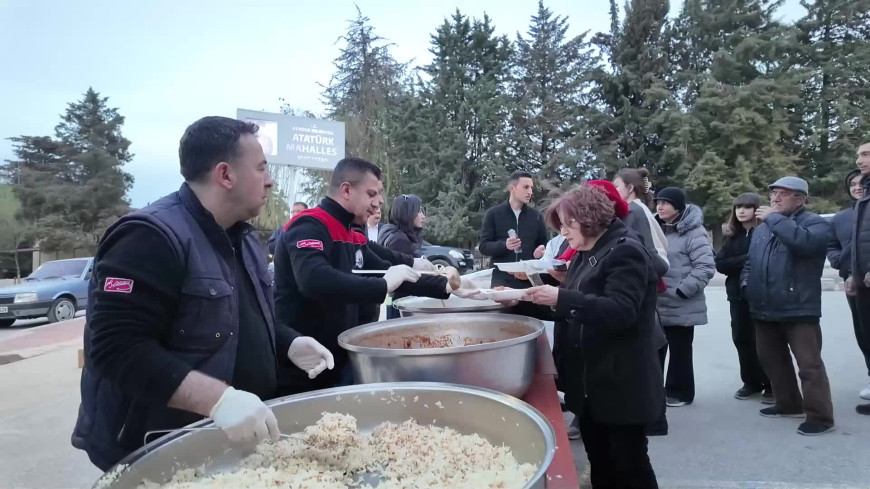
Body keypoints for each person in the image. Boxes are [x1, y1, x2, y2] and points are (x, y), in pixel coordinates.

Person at [71, 117, 333, 470]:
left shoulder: (244, 239)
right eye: (260, 169)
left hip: (225, 444)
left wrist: (286, 342)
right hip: (156, 448)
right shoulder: (149, 236)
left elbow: (239, 318)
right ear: (225, 175)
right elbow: (115, 349)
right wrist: (219, 400)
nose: (270, 180)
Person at [273, 157, 454, 394]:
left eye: (379, 194)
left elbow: (391, 272)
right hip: (306, 363)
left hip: (342, 358)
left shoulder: (353, 235)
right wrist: (382, 286)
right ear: (346, 190)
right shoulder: (309, 224)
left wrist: (448, 286)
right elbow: (314, 279)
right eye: (371, 194)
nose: (378, 202)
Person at [523, 185, 663, 489]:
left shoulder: (626, 250)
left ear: (588, 218)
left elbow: (621, 311)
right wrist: (519, 300)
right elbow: (573, 309)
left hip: (621, 384)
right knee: (601, 462)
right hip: (592, 384)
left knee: (630, 467)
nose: (562, 232)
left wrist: (561, 297)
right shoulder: (589, 251)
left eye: (566, 223)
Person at [741, 176, 835, 434]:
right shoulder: (762, 229)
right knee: (771, 359)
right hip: (763, 305)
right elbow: (750, 263)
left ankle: (820, 417)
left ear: (801, 199)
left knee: (809, 364)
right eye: (773, 193)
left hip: (799, 306)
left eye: (784, 193)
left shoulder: (814, 223)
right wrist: (747, 285)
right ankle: (788, 403)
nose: (775, 198)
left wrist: (773, 218)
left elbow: (802, 243)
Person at [654, 187, 716, 407]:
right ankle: (654, 391)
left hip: (681, 303)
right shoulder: (655, 229)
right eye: (658, 202)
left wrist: (682, 290)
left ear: (678, 207)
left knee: (680, 352)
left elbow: (706, 267)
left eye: (665, 203)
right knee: (654, 350)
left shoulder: (693, 232)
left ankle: (680, 392)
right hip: (658, 303)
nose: (659, 207)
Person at [715, 193, 772, 403]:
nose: (741, 211)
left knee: (764, 341)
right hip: (736, 296)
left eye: (747, 207)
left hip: (761, 294)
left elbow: (764, 261)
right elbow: (720, 264)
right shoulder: (732, 235)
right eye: (738, 207)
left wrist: (736, 262)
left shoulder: (766, 232)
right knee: (741, 339)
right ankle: (751, 382)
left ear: (756, 209)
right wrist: (747, 259)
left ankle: (771, 384)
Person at [828, 169, 870, 403]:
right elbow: (831, 244)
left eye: (861, 183)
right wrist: (838, 262)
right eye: (852, 184)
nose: (856, 187)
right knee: (863, 332)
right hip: (853, 282)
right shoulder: (841, 217)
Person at [479, 170, 548, 289]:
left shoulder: (536, 216)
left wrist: (540, 252)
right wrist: (504, 245)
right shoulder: (493, 214)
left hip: (530, 278)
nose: (530, 192)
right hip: (502, 278)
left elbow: (544, 245)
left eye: (531, 188)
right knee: (505, 305)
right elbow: (483, 247)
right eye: (526, 187)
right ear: (512, 188)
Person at [378, 194, 428, 319]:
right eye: (419, 211)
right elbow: (407, 280)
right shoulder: (399, 240)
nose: (423, 216)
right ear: (408, 214)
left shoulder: (399, 236)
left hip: (398, 305)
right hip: (403, 308)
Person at [849, 141, 870, 415]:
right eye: (858, 155)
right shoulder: (865, 194)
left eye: (865, 154)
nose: (859, 160)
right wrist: (853, 273)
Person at [613, 168, 669, 268]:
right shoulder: (639, 208)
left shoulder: (633, 211)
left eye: (616, 186)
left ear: (630, 188)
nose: (613, 191)